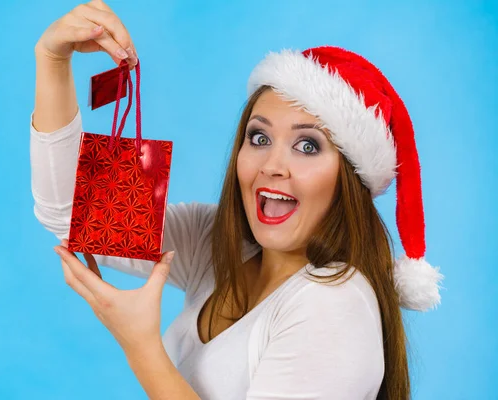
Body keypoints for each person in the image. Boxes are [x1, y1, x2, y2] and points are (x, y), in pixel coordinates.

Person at [30, 2, 444, 399]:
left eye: (308, 146)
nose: (273, 165)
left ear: (349, 180)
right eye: (259, 138)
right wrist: (52, 60)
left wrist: (141, 346)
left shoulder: (336, 306)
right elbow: (74, 213)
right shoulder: (213, 243)